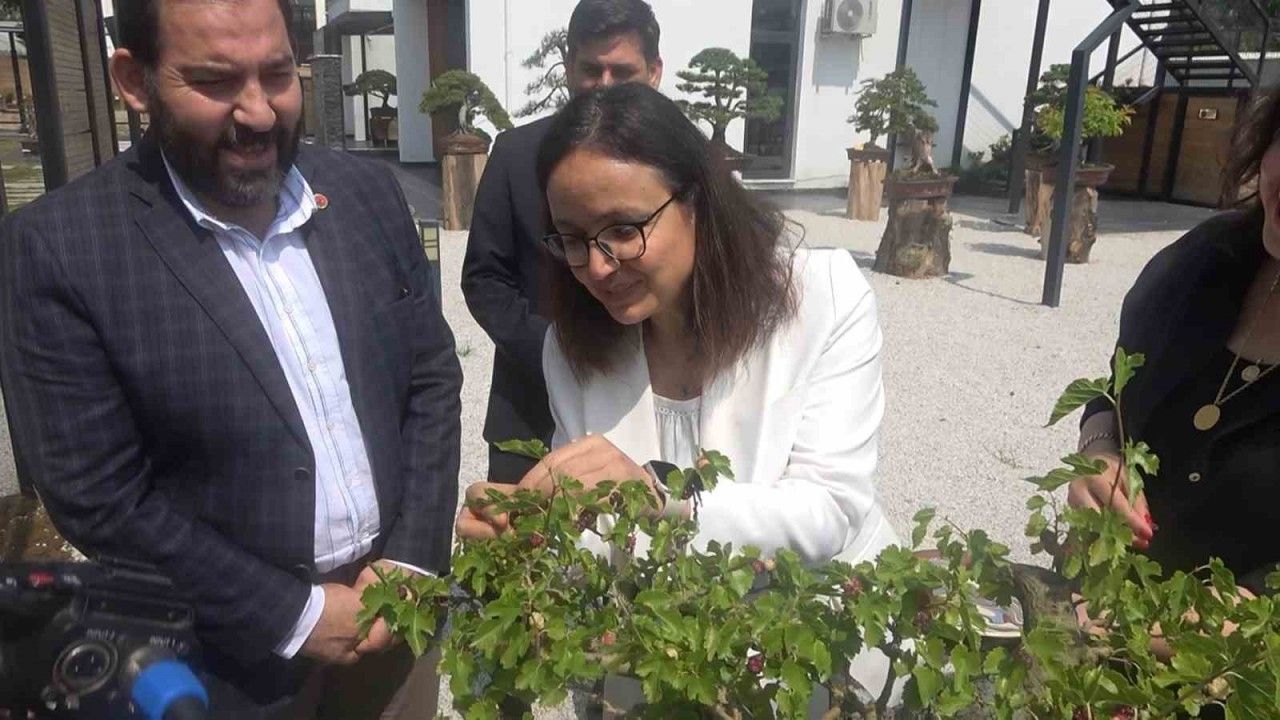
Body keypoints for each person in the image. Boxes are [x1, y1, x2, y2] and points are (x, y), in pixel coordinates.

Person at [0, 0, 462, 716]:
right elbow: (98, 494)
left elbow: (430, 376)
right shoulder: (61, 249)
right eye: (215, 82)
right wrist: (293, 615)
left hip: (395, 620)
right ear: (134, 80)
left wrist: (410, 558)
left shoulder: (365, 194)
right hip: (225, 663)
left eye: (277, 74)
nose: (258, 112)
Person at [458, 76, 899, 613]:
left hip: (821, 625)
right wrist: (532, 528)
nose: (596, 267)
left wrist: (662, 499)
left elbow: (829, 510)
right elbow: (596, 543)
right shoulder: (571, 347)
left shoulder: (822, 298)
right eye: (572, 239)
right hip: (665, 642)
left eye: (623, 230)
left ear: (697, 201)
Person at [1069, 84, 1280, 598]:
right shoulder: (1203, 262)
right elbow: (1116, 393)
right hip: (1090, 609)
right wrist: (1100, 453)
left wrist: (1209, 621)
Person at [462, 0, 663, 484]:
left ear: (655, 72)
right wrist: (556, 354)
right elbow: (484, 279)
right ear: (569, 66)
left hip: (649, 410)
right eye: (591, 70)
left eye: (623, 72)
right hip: (530, 410)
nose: (604, 85)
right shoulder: (516, 155)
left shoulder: (676, 162)